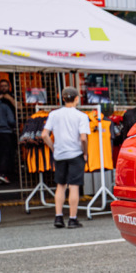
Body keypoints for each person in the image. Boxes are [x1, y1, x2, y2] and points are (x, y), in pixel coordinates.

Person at [41, 87, 90, 229]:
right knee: (74, 186)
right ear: (77, 98)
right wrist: (85, 152)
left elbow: (44, 135)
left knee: (60, 185)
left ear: (62, 98)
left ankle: (58, 216)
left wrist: (53, 148)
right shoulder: (81, 116)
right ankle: (72, 219)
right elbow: (83, 138)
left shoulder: (54, 114)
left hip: (60, 154)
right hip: (75, 153)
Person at [0, 77, 17, 185]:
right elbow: (11, 120)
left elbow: (19, 107)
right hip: (6, 131)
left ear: (9, 87)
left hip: (8, 131)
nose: (3, 88)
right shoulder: (4, 106)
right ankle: (3, 174)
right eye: (1, 86)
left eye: (5, 86)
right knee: (6, 153)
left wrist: (10, 99)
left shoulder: (12, 97)